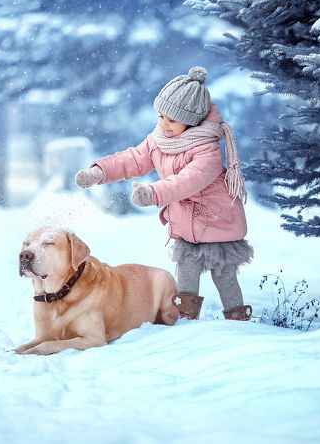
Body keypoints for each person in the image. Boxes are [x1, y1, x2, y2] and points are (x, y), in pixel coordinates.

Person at [74, 66, 253, 321]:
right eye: (161, 116)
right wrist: (99, 172)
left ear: (192, 121)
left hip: (217, 222)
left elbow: (187, 182)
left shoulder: (208, 151)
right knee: (186, 271)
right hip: (186, 224)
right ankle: (183, 319)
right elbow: (133, 159)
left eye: (172, 119)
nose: (164, 125)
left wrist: (153, 193)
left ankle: (238, 320)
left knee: (223, 275)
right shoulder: (159, 139)